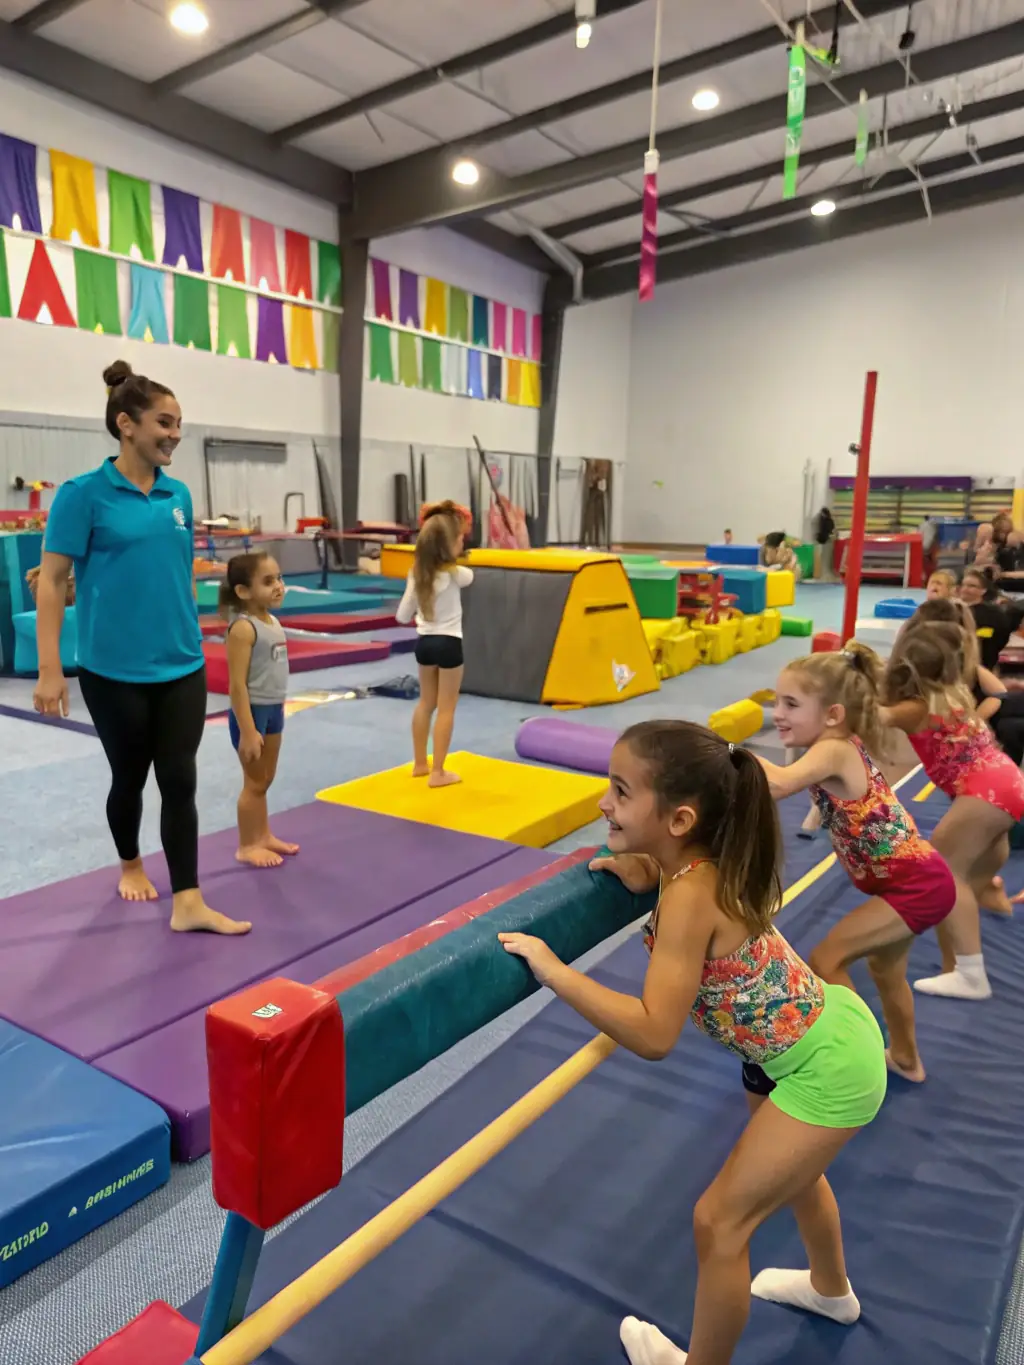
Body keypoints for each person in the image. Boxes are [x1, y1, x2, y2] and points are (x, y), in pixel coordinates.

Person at [500, 721, 886, 1365]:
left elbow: (655, 1033)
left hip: (824, 1066)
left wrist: (554, 970)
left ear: (680, 819)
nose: (603, 803)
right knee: (797, 1178)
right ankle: (830, 1291)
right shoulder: (702, 862)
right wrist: (646, 868)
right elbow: (680, 881)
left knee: (719, 1223)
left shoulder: (690, 896)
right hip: (799, 1042)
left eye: (620, 792)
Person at [33, 360, 250, 936]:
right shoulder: (82, 495)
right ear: (126, 424)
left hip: (181, 662)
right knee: (129, 778)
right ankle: (130, 861)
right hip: (113, 670)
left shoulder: (178, 492)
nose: (176, 433)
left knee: (180, 779)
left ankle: (188, 900)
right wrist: (50, 669)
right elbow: (52, 581)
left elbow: (171, 572)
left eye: (180, 423)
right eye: (165, 422)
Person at [756, 645, 960, 1083]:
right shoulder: (834, 744)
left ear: (832, 714)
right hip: (907, 882)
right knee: (885, 972)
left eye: (791, 704)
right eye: (776, 702)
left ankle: (861, 1065)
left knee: (826, 959)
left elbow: (777, 784)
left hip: (916, 886)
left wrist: (721, 751)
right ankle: (905, 1059)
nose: (778, 713)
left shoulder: (832, 749)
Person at [881, 620, 1024, 998]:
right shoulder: (954, 693)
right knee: (973, 869)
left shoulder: (915, 707)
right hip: (1006, 779)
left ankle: (970, 974)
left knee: (945, 872)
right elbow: (994, 691)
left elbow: (874, 717)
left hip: (984, 791)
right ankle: (988, 891)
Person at [220, 552, 298, 870]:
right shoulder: (243, 629)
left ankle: (263, 835)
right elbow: (237, 686)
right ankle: (247, 845)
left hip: (274, 708)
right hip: (251, 713)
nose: (278, 586)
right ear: (243, 591)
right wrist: (249, 730)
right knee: (253, 783)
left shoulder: (272, 621)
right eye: (268, 582)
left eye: (279, 578)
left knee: (265, 779)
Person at [396, 500, 473, 788]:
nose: (463, 542)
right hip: (450, 644)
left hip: (424, 644)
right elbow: (469, 577)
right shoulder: (455, 574)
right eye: (460, 539)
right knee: (447, 708)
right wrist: (451, 564)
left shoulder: (417, 574)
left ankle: (419, 764)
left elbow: (402, 615)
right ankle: (438, 771)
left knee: (426, 703)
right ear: (449, 545)